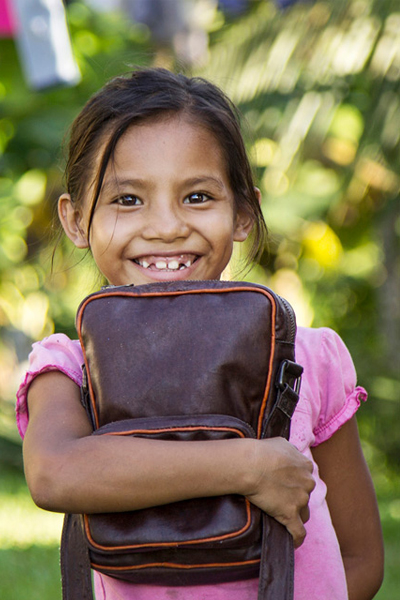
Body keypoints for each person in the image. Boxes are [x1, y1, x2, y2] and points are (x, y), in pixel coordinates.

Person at [16, 68, 383, 600]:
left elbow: (361, 558)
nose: (166, 227)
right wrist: (248, 466)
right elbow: (56, 472)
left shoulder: (307, 360)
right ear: (75, 222)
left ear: (242, 213)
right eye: (127, 200)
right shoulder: (71, 369)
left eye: (197, 197)